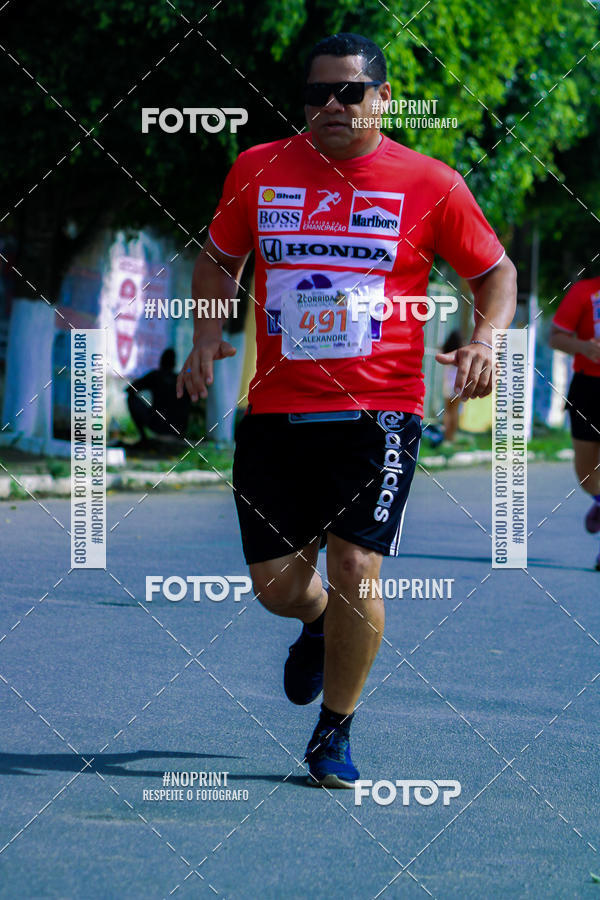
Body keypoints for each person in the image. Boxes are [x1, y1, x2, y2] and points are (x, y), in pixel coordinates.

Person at [177, 32, 517, 788]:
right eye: (316, 93)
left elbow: (496, 274)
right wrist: (205, 335)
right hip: (276, 409)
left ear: (384, 99)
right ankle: (317, 619)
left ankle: (334, 730)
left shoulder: (430, 182)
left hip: (381, 410)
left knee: (356, 564)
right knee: (276, 587)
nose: (331, 105)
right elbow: (219, 258)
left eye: (349, 92)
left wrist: (485, 340)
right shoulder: (258, 168)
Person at [549, 278, 600, 569]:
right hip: (588, 389)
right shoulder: (584, 291)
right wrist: (583, 347)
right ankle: (598, 499)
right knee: (587, 475)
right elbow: (556, 337)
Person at [127, 347, 190, 446]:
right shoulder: (179, 380)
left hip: (158, 423)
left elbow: (130, 389)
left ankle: (144, 438)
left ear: (161, 361)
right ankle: (179, 434)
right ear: (174, 363)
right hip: (176, 428)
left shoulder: (156, 376)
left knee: (131, 399)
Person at [440, 329, 464, 443]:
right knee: (455, 411)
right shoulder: (461, 353)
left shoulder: (446, 351)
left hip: (447, 384)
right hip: (458, 384)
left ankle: (446, 435)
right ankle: (452, 435)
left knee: (447, 411)